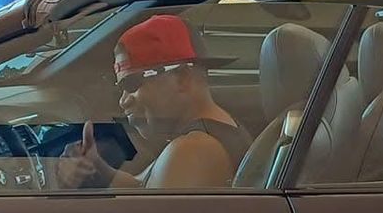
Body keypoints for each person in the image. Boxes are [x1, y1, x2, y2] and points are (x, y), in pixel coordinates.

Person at [55, 14, 251, 190]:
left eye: (132, 83)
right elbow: (143, 185)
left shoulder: (193, 150)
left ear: (182, 77)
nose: (123, 101)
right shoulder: (215, 131)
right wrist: (98, 169)